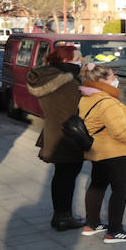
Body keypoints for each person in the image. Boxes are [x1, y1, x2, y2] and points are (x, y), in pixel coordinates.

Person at [78, 63, 126, 243]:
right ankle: (115, 231)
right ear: (101, 80)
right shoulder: (107, 102)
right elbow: (119, 131)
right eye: (113, 77)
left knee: (97, 185)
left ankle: (92, 224)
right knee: (120, 190)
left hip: (98, 150)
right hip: (115, 151)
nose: (116, 80)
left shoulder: (87, 96)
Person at [27, 44, 87, 232]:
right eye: (77, 58)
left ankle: (60, 215)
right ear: (66, 60)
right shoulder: (69, 82)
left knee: (61, 176)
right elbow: (80, 108)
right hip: (69, 136)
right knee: (67, 177)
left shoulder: (45, 76)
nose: (81, 61)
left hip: (53, 132)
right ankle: (63, 217)